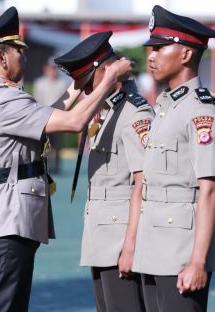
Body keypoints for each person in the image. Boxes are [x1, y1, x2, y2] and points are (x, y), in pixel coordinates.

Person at [0, 7, 133, 312]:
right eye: (18, 51)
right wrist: (109, 78)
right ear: (1, 57)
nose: (24, 57)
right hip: (7, 221)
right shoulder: (6, 100)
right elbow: (74, 122)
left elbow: (45, 117)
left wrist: (78, 85)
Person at [130, 5, 215, 312]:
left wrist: (198, 262)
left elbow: (210, 189)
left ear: (186, 55)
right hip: (154, 245)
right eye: (151, 49)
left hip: (182, 250)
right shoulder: (165, 106)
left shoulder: (201, 112)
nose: (151, 56)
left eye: (160, 48)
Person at [53, 31, 152, 312]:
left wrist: (130, 245)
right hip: (102, 237)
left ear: (108, 71)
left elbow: (142, 183)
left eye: (87, 81)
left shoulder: (134, 113)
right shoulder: (106, 109)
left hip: (121, 241)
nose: (85, 90)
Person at [33, 62, 70, 173]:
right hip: (44, 117)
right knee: (43, 144)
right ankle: (44, 166)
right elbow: (36, 100)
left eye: (54, 68)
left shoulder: (62, 83)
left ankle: (57, 167)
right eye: (50, 68)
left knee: (57, 145)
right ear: (46, 68)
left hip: (58, 117)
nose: (52, 70)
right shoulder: (39, 83)